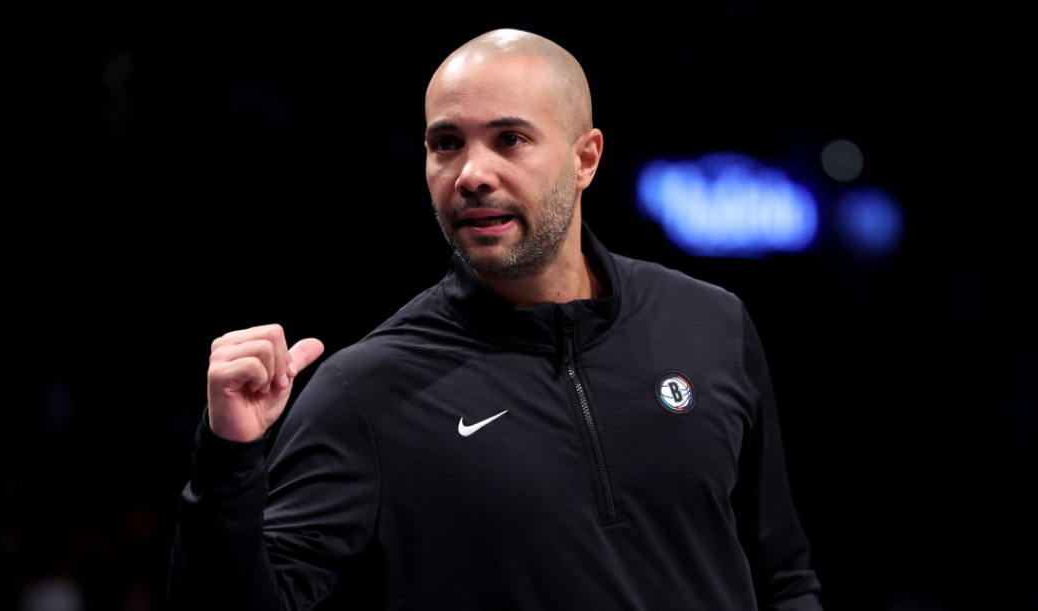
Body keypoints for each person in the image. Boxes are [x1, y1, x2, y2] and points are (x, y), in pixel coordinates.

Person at [169, 28, 823, 610]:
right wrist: (227, 459)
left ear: (585, 157)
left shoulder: (712, 323)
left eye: (509, 139)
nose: (472, 174)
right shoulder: (362, 391)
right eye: (446, 144)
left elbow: (784, 574)